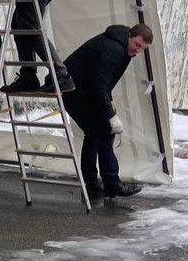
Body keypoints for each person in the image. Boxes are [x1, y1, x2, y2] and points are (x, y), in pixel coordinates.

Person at [62, 23, 153, 199]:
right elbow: (100, 85)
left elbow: (102, 81)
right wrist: (110, 114)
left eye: (143, 48)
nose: (138, 50)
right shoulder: (115, 50)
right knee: (96, 131)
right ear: (130, 36)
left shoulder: (122, 46)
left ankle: (107, 185)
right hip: (71, 89)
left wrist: (108, 107)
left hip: (81, 87)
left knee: (103, 131)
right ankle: (97, 186)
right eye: (137, 44)